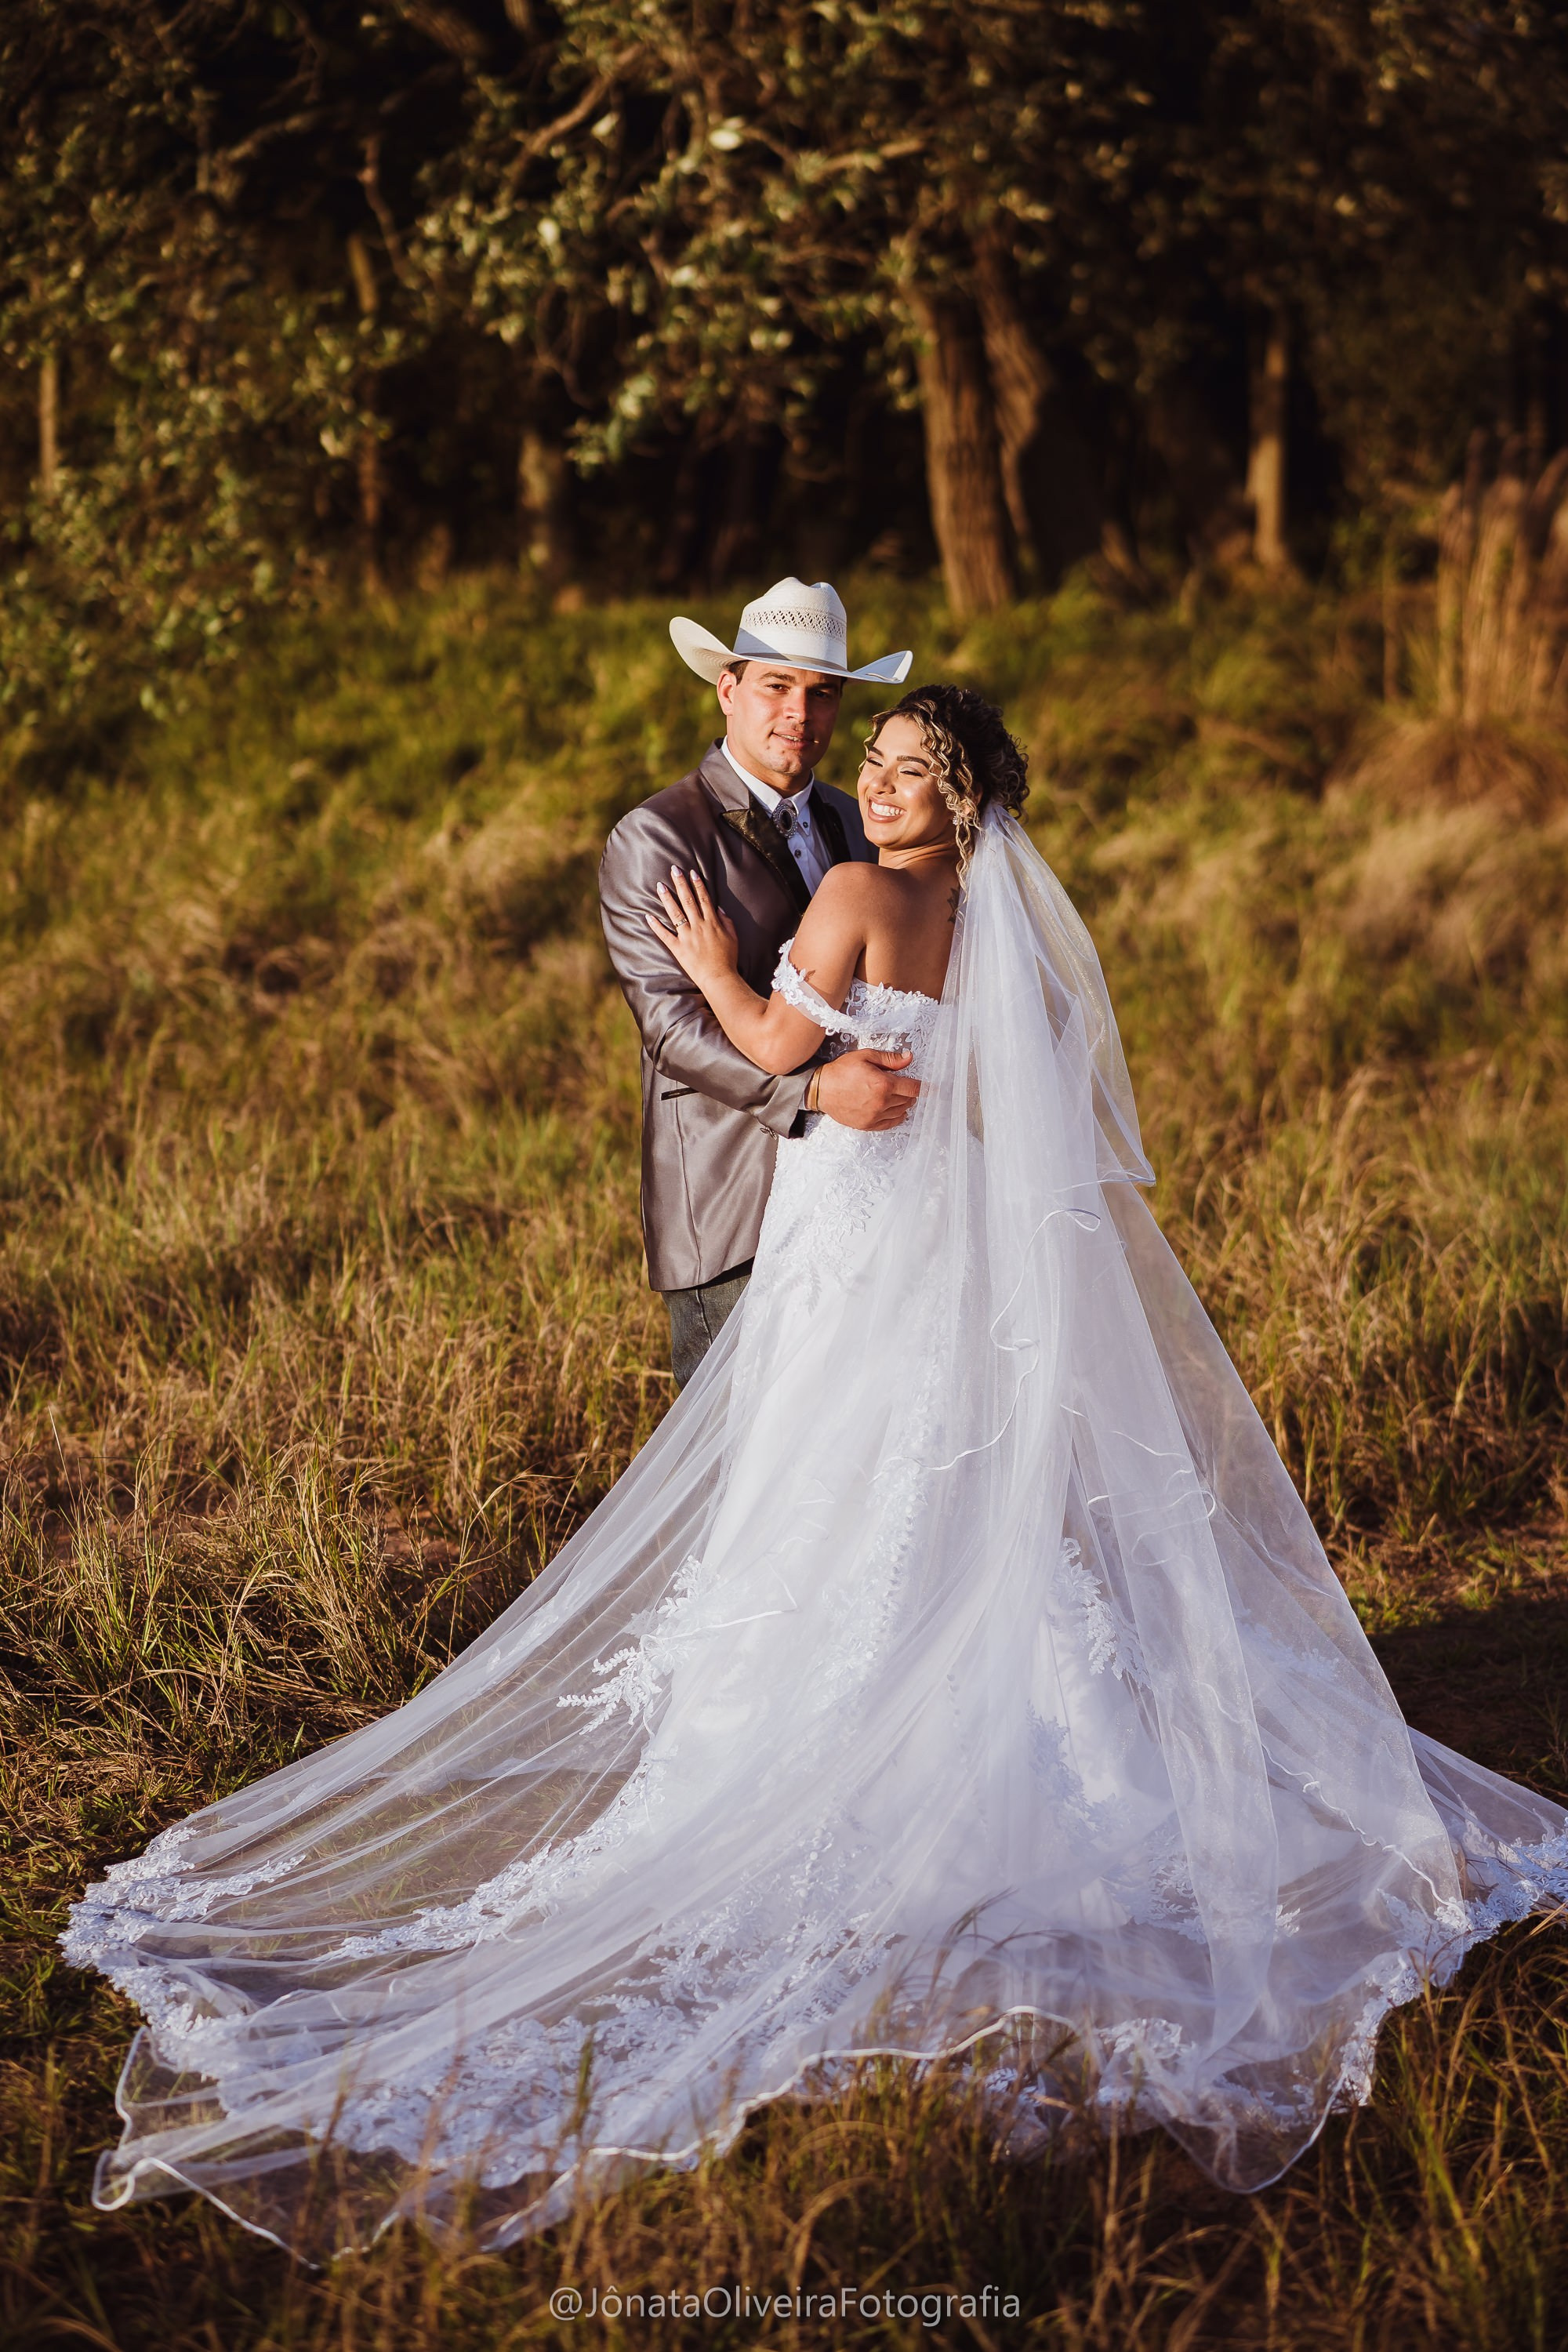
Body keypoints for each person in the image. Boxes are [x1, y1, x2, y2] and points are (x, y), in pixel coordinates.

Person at [63, 685, 1568, 2262]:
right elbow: (1021, 1107)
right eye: (877, 762)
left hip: (852, 1237)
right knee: (938, 1491)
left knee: (818, 1474)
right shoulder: (1005, 927)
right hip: (948, 1244)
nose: (882, 782)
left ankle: (822, 1737)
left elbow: (780, 1043)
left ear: (963, 798)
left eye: (913, 770)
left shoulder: (849, 892)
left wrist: (715, 964)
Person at [599, 575, 918, 1385]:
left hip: (858, 1193)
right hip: (729, 1194)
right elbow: (671, 1031)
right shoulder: (656, 837)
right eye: (776, 686)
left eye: (821, 694)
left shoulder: (858, 821)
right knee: (732, 1475)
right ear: (727, 688)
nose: (799, 716)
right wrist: (813, 1094)